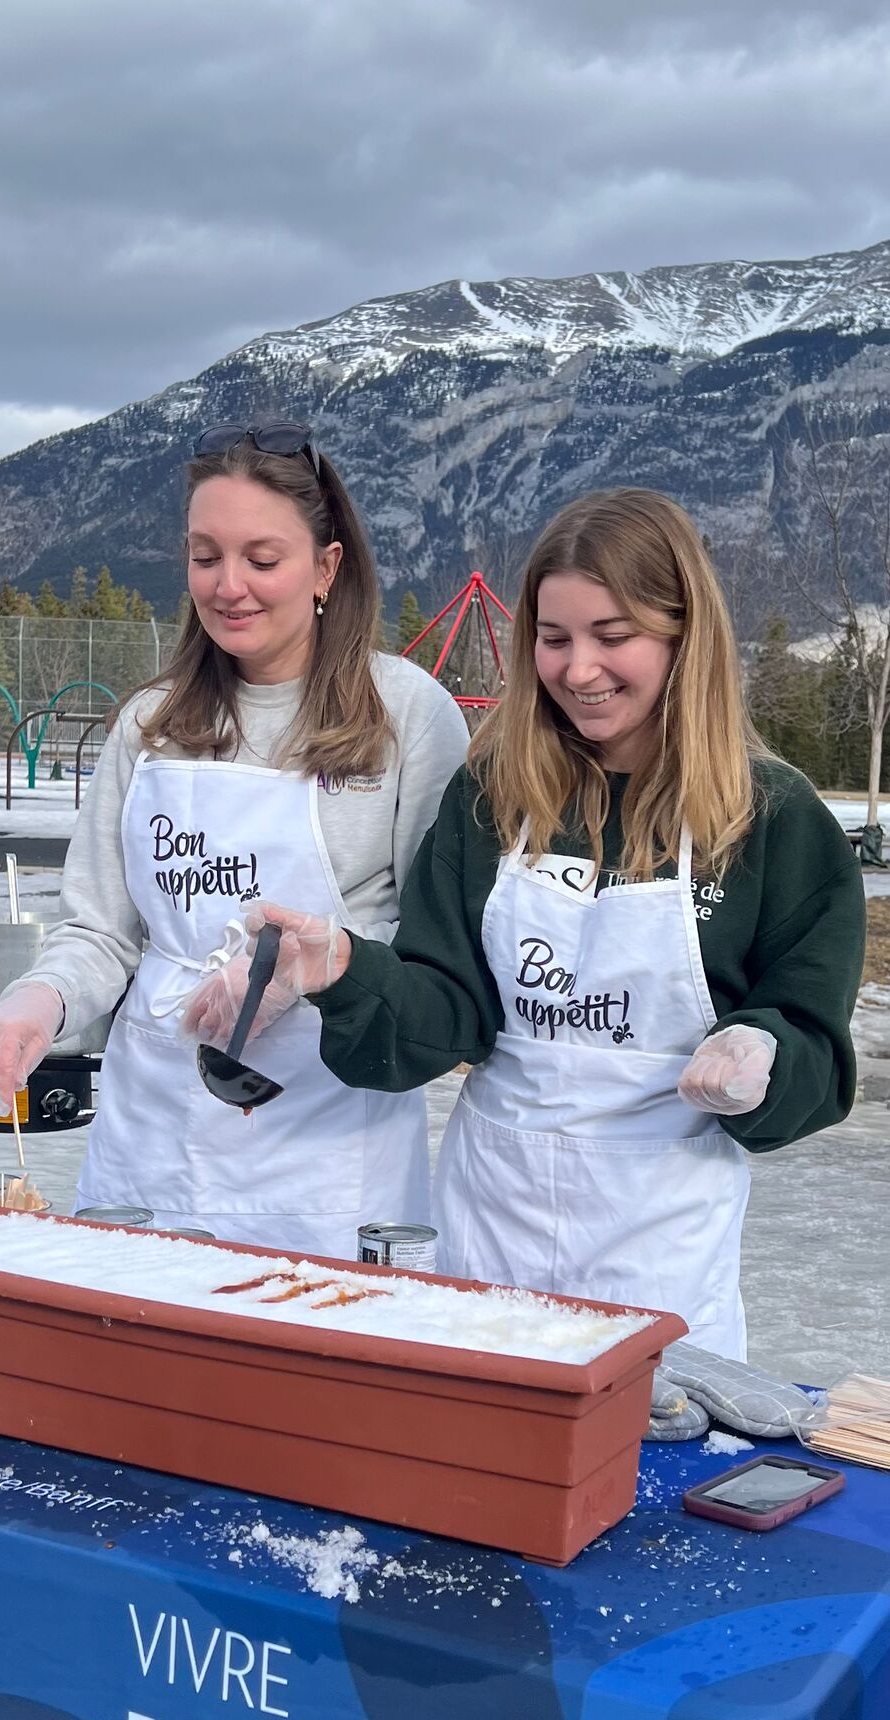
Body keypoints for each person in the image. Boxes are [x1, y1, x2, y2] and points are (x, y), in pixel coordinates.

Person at [226, 488, 866, 1358]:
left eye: (614, 636)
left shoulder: (772, 820)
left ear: (684, 638)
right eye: (555, 638)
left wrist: (762, 1054)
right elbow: (447, 1010)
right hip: (495, 1223)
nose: (578, 670)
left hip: (662, 1245)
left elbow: (815, 1050)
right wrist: (346, 971)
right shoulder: (494, 797)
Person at [0, 423, 468, 1257]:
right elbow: (101, 933)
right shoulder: (149, 723)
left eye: (262, 560)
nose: (229, 585)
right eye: (206, 556)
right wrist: (41, 1000)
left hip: (325, 1138)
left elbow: (433, 948)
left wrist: (309, 970)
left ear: (327, 567)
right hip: (157, 1124)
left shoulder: (407, 716)